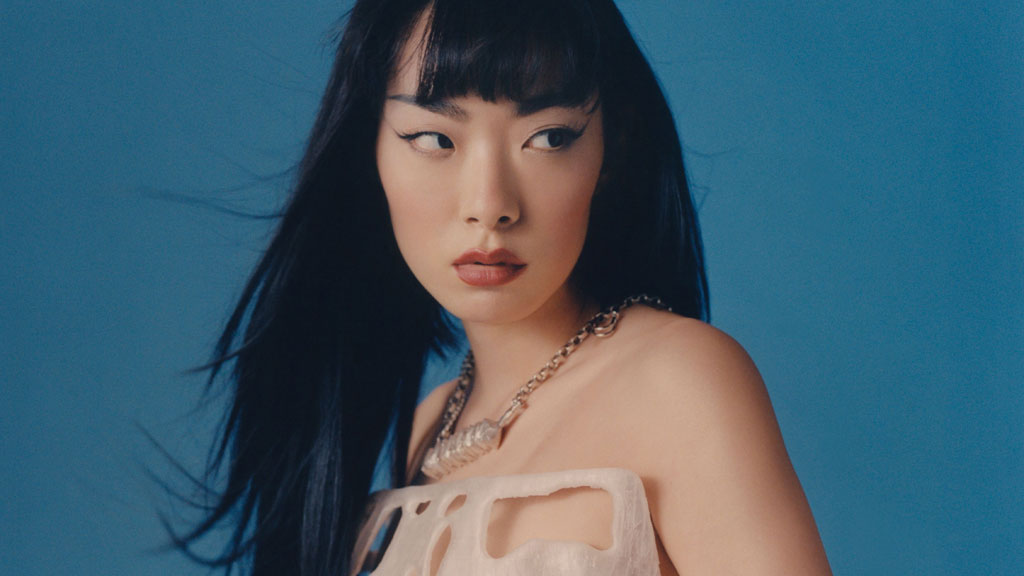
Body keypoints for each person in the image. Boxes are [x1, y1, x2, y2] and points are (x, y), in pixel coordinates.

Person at [172, 0, 832, 574]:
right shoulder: (430, 428)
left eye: (548, 138)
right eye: (434, 139)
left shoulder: (679, 380)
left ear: (612, 150)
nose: (489, 206)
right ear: (369, 153)